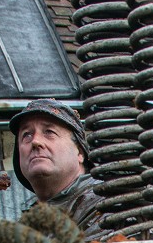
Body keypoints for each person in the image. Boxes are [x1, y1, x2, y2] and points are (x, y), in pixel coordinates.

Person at [8, 99, 101, 231]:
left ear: (79, 152)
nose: (35, 141)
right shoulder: (26, 225)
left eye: (49, 132)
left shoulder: (103, 204)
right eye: (27, 135)